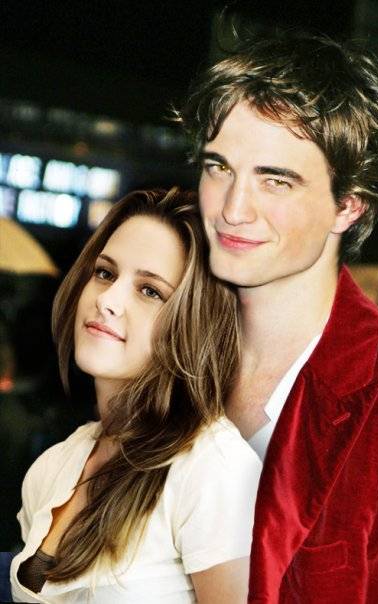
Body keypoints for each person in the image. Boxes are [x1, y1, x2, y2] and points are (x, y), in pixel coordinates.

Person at [180, 30, 378, 602]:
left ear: (348, 206)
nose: (233, 209)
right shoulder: (165, 344)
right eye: (219, 167)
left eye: (275, 180)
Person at [10, 188, 262, 603]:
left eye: (150, 291)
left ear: (196, 323)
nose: (107, 300)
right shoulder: (54, 467)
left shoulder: (214, 468)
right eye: (105, 273)